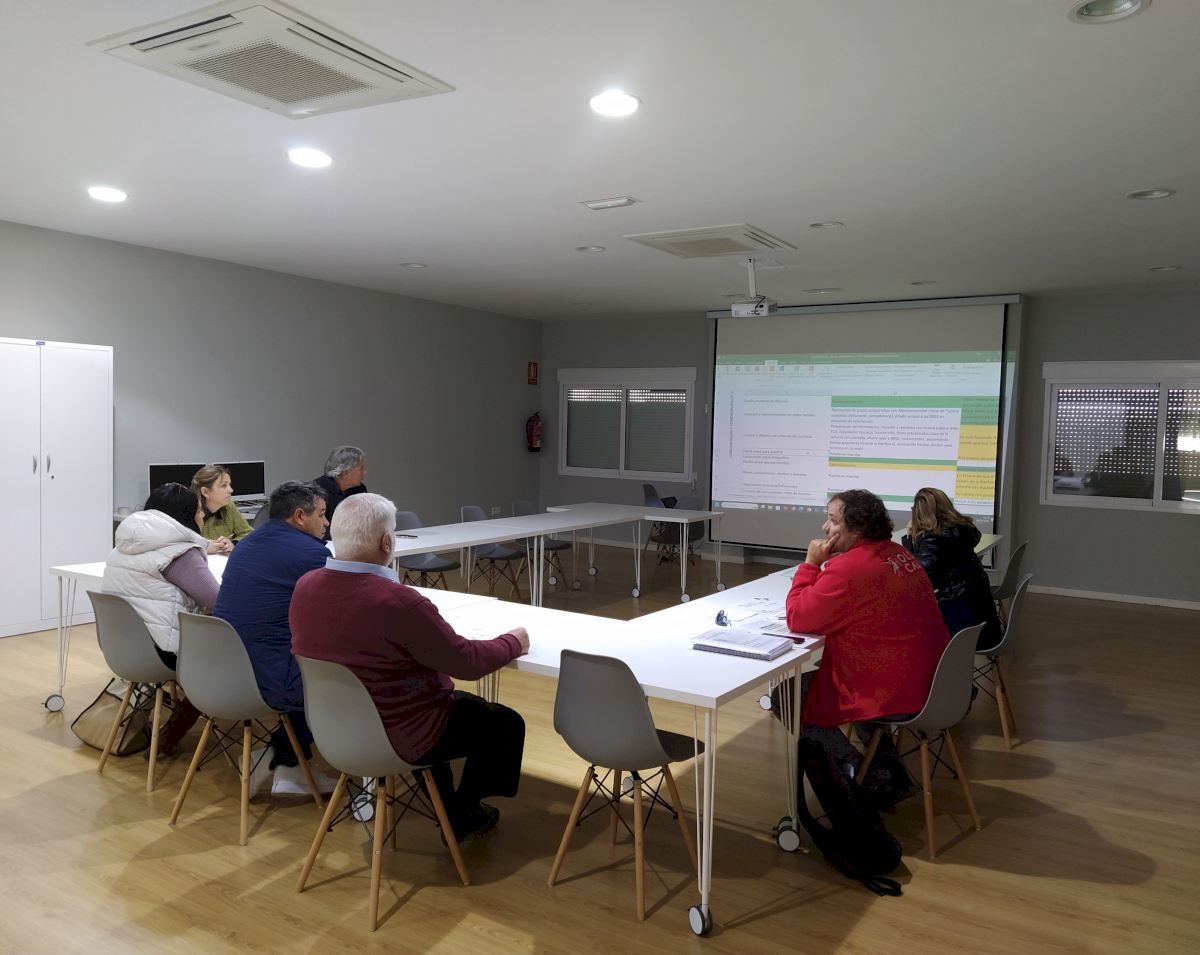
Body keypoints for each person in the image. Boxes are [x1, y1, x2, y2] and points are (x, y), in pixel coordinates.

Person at [290, 493, 529, 841]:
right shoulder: (397, 602)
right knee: (503, 723)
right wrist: (513, 642)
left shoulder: (305, 586)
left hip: (334, 730)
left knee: (434, 707)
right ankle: (464, 812)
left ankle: (452, 811)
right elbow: (467, 663)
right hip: (403, 732)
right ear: (387, 542)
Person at [784, 489, 949, 798]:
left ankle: (866, 772)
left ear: (857, 529)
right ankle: (887, 771)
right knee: (858, 672)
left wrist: (810, 564)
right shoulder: (899, 553)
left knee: (788, 694)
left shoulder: (850, 569)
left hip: (895, 691)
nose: (825, 528)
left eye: (833, 521)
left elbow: (797, 617)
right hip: (935, 683)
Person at [213, 481, 329, 787]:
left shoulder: (247, 543)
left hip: (223, 672)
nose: (327, 522)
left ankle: (284, 758)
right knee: (338, 675)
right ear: (300, 516)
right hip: (268, 680)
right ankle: (286, 760)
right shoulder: (312, 554)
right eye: (321, 514)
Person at [102, 482, 219, 752]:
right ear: (186, 515)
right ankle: (171, 735)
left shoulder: (122, 547)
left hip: (124, 649)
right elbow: (218, 601)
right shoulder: (180, 553)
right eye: (199, 510)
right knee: (223, 661)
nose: (203, 515)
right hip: (162, 652)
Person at [901, 487, 1002, 652]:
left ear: (921, 512)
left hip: (961, 630)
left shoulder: (934, 538)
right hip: (985, 625)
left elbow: (919, 575)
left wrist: (910, 539)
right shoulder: (961, 532)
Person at [191, 464, 253, 553]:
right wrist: (204, 547)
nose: (231, 490)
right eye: (224, 485)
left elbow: (249, 533)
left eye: (229, 484)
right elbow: (179, 545)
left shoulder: (229, 507)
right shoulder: (189, 513)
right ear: (205, 492)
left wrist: (234, 543)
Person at [312, 445, 367, 537]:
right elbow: (316, 528)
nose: (365, 472)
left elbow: (364, 522)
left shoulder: (360, 490)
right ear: (346, 473)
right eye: (361, 468)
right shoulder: (315, 490)